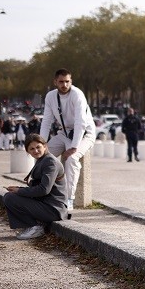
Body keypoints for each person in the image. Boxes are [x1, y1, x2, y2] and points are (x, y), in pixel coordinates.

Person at [40, 69, 95, 214]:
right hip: (64, 133)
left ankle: (68, 200)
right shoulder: (50, 96)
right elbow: (46, 121)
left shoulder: (77, 95)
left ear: (71, 81)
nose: (64, 84)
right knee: (43, 155)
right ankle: (42, 193)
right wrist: (41, 143)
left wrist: (74, 147)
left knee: (71, 159)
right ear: (55, 82)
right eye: (61, 82)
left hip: (84, 134)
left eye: (67, 81)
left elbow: (80, 122)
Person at [3, 133, 66, 239]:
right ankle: (31, 225)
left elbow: (44, 189)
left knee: (10, 197)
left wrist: (19, 191)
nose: (35, 151)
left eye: (38, 147)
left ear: (45, 146)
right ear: (27, 151)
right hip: (45, 204)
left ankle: (35, 227)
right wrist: (19, 189)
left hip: (54, 209)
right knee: (9, 196)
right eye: (31, 149)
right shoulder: (42, 159)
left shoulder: (50, 162)